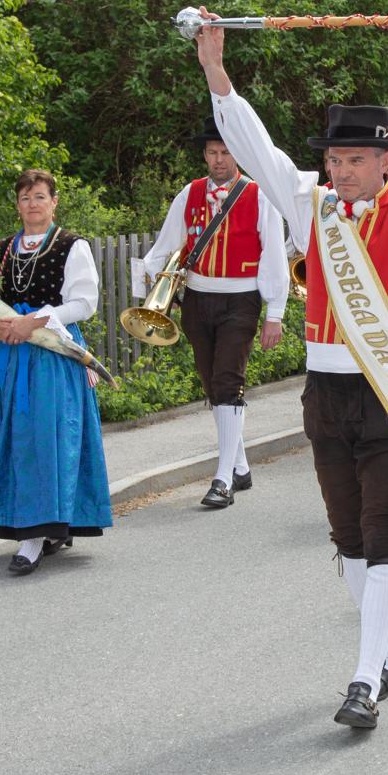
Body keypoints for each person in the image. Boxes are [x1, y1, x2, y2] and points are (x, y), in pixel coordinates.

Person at [191, 2, 388, 731]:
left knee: (386, 527)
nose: (340, 169)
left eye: (354, 158)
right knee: (348, 537)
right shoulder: (314, 211)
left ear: (387, 162)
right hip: (326, 389)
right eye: (333, 159)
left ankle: (364, 677)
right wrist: (215, 70)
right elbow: (260, 151)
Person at [137, 119, 289, 509]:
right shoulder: (189, 193)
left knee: (227, 380)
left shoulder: (259, 195)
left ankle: (222, 479)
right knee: (211, 385)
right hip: (198, 301)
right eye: (212, 153)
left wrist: (275, 312)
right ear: (204, 155)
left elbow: (273, 255)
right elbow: (168, 243)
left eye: (225, 152)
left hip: (241, 300)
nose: (218, 160)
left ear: (237, 153)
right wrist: (147, 282)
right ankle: (238, 465)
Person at [0, 168, 113, 574]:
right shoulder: (0, 250)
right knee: (13, 439)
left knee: (42, 440)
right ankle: (41, 527)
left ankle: (34, 534)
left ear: (54, 202)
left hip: (49, 357)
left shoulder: (72, 246)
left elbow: (84, 302)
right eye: (25, 198)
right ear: (17, 204)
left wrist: (37, 321)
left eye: (39, 197)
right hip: (7, 358)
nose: (32, 205)